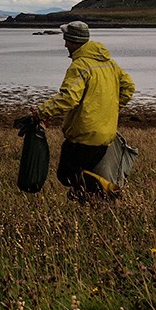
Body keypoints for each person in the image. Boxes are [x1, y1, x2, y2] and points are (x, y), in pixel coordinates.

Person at [31, 20, 136, 199]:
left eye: (67, 40)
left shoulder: (80, 66)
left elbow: (68, 98)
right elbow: (129, 87)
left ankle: (109, 191)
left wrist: (41, 112)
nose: (65, 44)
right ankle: (91, 201)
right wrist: (110, 109)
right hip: (105, 133)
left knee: (66, 174)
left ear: (75, 41)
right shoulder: (109, 64)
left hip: (84, 134)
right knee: (82, 177)